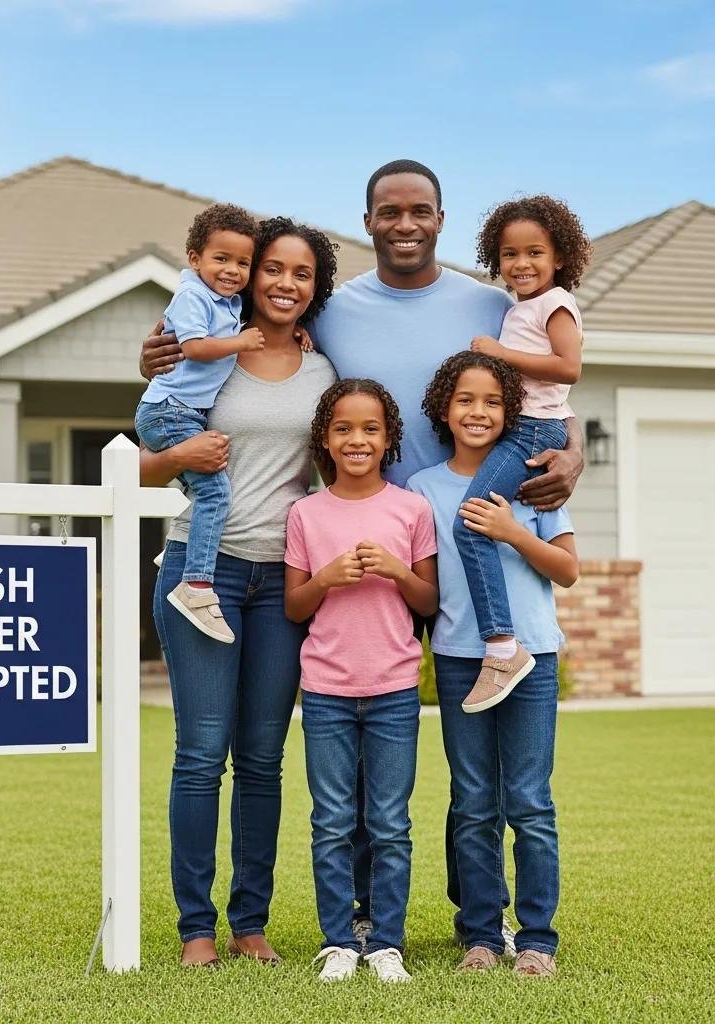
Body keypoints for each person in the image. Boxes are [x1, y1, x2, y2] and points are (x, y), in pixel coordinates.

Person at [139, 159, 585, 950]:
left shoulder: (491, 302)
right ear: (369, 218)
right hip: (313, 559)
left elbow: (550, 391)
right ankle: (296, 922)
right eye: (389, 211)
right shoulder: (320, 319)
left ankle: (470, 920)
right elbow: (167, 412)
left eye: (420, 210)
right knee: (267, 752)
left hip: (443, 545)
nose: (405, 223)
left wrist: (574, 451)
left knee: (446, 749)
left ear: (442, 219)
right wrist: (164, 365)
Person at [140, 217, 339, 967]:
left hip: (280, 583)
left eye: (303, 274)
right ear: (248, 275)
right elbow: (142, 461)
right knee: (200, 754)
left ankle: (249, 922)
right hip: (203, 567)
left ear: (314, 290)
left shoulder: (325, 370)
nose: (286, 284)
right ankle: (196, 929)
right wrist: (175, 456)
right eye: (273, 269)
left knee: (261, 759)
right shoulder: (206, 352)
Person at [409, 351, 578, 977]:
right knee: (474, 799)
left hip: (530, 654)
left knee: (529, 799)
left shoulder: (535, 478)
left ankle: (537, 940)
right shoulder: (423, 489)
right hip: (459, 659)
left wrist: (513, 531)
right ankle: (481, 934)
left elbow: (568, 570)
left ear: (511, 413)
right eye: (465, 401)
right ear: (444, 411)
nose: (478, 413)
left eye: (492, 402)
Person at [285, 380, 437, 983]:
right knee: (332, 819)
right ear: (325, 437)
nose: (357, 439)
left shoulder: (411, 509)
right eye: (344, 428)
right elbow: (296, 607)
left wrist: (398, 570)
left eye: (370, 429)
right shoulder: (305, 512)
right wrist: (325, 578)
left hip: (395, 688)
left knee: (390, 821)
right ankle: (339, 941)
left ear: (389, 438)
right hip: (325, 691)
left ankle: (387, 942)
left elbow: (429, 600)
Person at [455, 196, 592, 713]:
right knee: (475, 524)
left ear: (559, 257)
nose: (522, 263)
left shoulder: (555, 303)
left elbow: (569, 367)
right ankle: (501, 647)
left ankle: (501, 647)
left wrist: (497, 353)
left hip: (535, 432)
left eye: (535, 252)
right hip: (525, 427)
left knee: (471, 523)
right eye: (510, 254)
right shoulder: (520, 307)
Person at [135, 203, 262, 644]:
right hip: (168, 409)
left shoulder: (228, 301)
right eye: (221, 259)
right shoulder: (192, 296)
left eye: (243, 262)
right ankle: (196, 584)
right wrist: (241, 342)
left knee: (205, 488)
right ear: (194, 259)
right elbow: (192, 348)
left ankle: (190, 556)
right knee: (214, 489)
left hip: (181, 410)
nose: (232, 270)